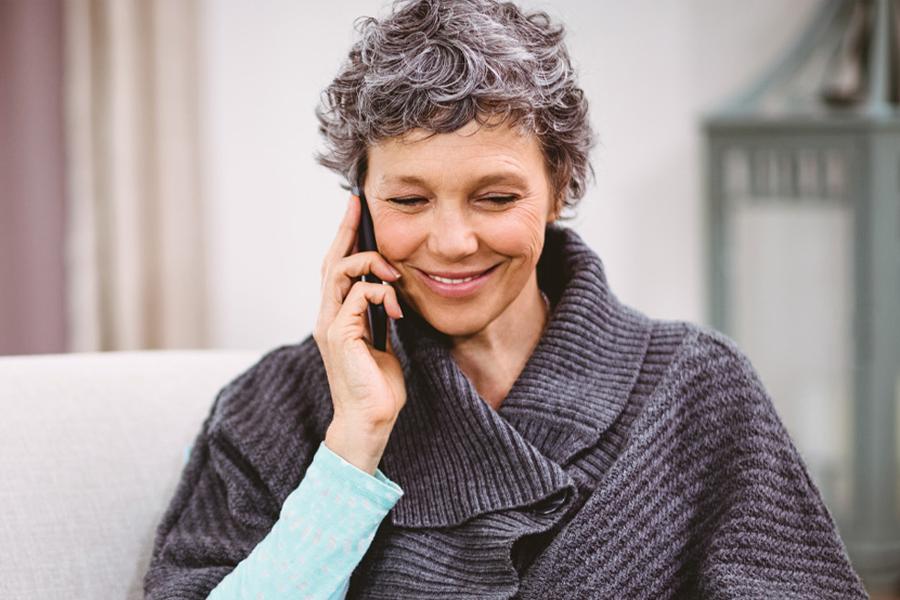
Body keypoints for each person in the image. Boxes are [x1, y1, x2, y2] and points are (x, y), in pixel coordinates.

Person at [143, 0, 869, 598]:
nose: (453, 241)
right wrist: (353, 446)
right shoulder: (273, 410)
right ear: (359, 204)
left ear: (559, 188)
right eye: (408, 198)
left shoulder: (697, 387)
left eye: (495, 197)